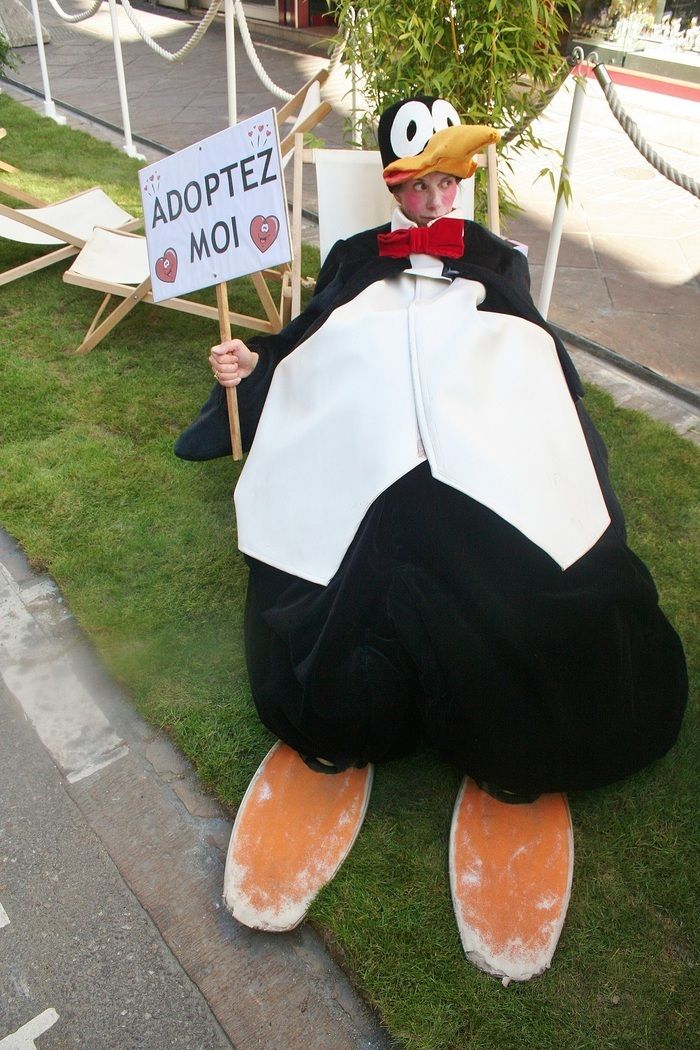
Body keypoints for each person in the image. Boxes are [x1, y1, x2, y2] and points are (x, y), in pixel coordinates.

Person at [176, 96, 687, 801]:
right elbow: (308, 341)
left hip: (480, 423)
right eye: (422, 184)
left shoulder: (491, 254)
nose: (436, 198)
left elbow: (534, 343)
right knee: (353, 535)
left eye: (448, 183)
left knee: (532, 535)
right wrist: (252, 368)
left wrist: (543, 400)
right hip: (368, 428)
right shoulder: (355, 257)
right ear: (394, 184)